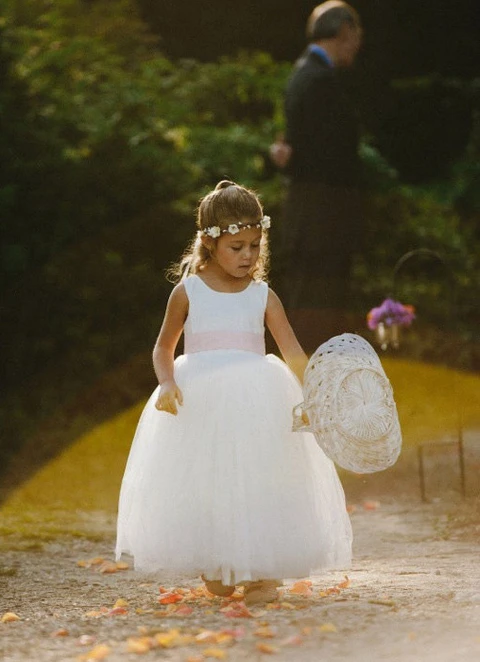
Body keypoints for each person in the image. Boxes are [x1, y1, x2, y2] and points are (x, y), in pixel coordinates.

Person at [116, 181, 352, 605]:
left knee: (261, 477)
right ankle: (220, 559)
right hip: (202, 398)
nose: (247, 256)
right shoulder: (187, 292)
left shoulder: (264, 295)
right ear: (209, 243)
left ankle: (264, 572)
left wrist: (315, 390)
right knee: (210, 478)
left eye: (254, 246)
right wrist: (167, 382)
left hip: (258, 397)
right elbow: (162, 348)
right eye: (236, 247)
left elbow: (293, 352)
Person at [277, 1, 363, 314]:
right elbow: (326, 155)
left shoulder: (304, 73)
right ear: (344, 31)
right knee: (319, 305)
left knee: (310, 300)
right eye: (357, 36)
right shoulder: (319, 81)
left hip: (309, 213)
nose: (358, 45)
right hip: (322, 214)